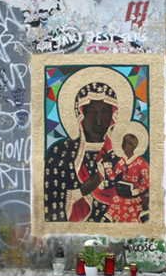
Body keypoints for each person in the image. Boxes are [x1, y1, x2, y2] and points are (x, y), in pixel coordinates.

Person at [44, 67, 135, 222]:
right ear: (80, 115)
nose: (99, 121)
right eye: (92, 113)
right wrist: (86, 188)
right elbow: (53, 204)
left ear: (114, 115)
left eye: (105, 112)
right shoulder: (60, 153)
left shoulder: (122, 153)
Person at [101, 121, 150, 223]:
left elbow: (147, 181)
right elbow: (113, 177)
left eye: (127, 144)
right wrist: (107, 166)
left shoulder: (141, 163)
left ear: (133, 146)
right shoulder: (122, 162)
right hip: (119, 198)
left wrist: (137, 190)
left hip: (133, 200)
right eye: (123, 143)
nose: (123, 146)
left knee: (131, 220)